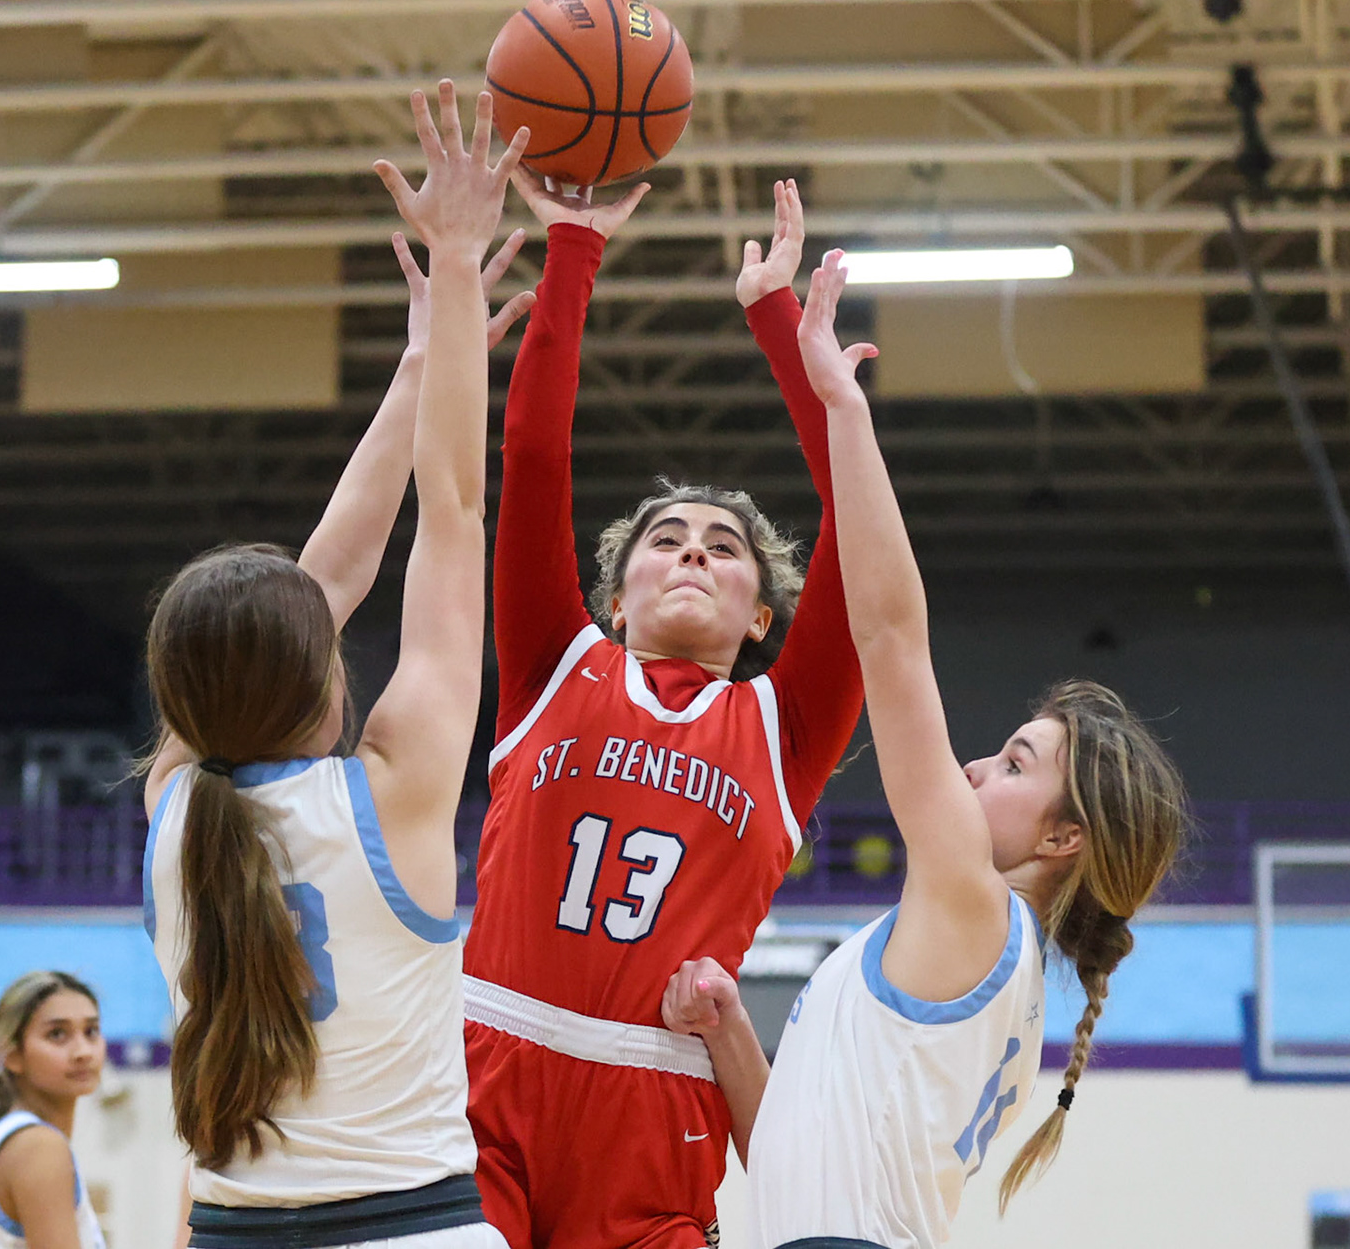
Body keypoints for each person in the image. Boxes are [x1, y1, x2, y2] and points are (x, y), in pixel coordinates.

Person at [659, 249, 1190, 1248]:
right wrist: (731, 1030)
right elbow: (794, 1153)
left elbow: (891, 637)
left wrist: (844, 411)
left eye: (1019, 765)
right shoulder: (1003, 976)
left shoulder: (975, 904)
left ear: (1064, 839)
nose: (982, 767)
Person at [139, 81, 526, 1247]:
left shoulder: (175, 801)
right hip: (413, 1227)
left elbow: (340, 572)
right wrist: (454, 273)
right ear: (320, 671)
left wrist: (425, 358)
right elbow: (452, 511)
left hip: (231, 1226)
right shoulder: (389, 792)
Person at [462, 177, 864, 1249]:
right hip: (486, 1076)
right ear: (615, 590)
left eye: (723, 546)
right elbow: (535, 460)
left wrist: (780, 320)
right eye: (666, 537)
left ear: (763, 614)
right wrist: (573, 247)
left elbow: (864, 536)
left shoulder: (785, 728)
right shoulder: (555, 662)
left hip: (655, 1107)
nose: (693, 548)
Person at [0, 971, 108, 1249]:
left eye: (91, 1031)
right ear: (13, 1055)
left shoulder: (13, 1140)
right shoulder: (39, 1147)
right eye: (58, 1034)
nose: (83, 1051)